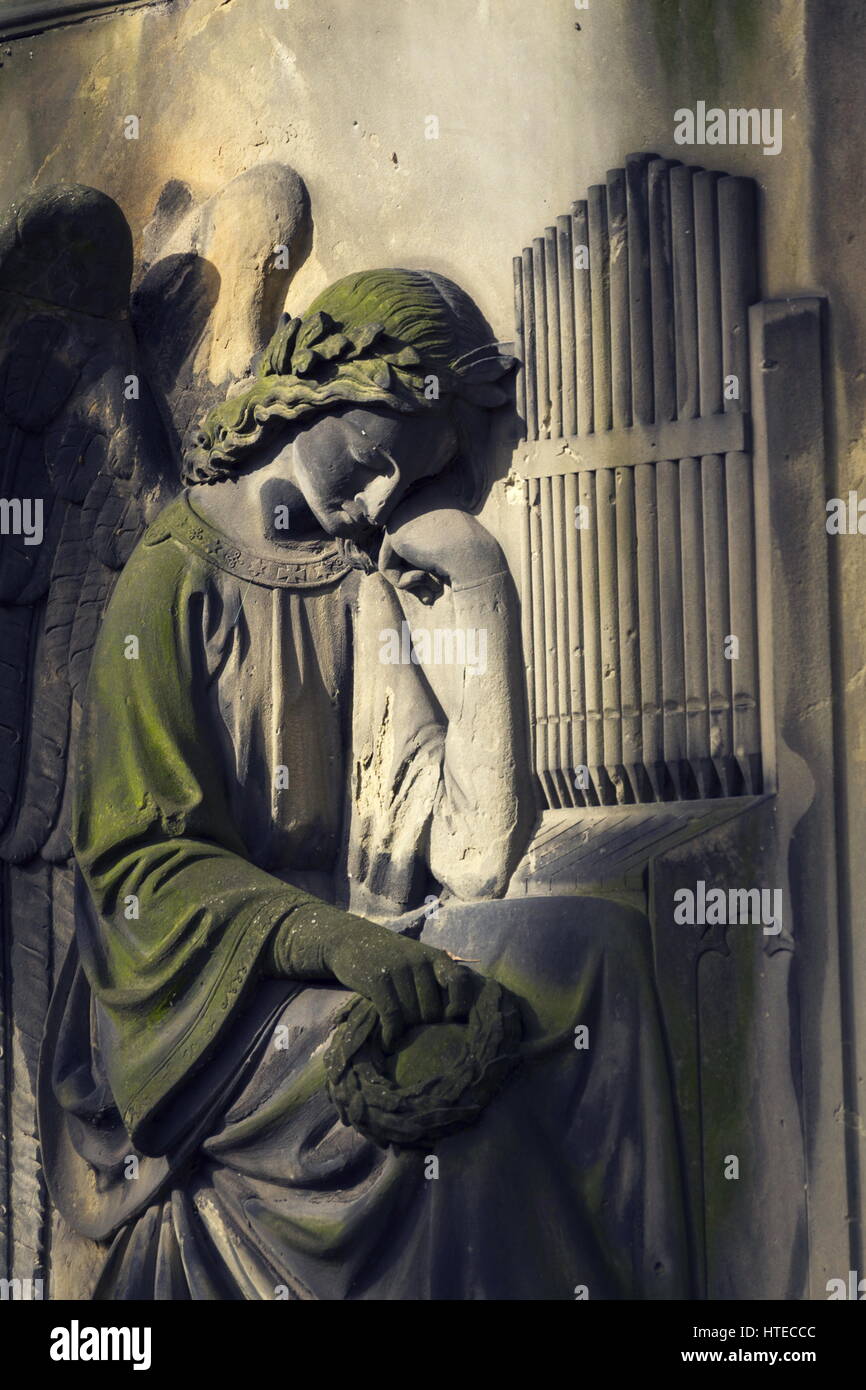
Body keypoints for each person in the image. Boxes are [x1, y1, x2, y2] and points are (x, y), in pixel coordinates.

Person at [41, 268, 690, 1299]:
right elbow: (138, 868)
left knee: (593, 953)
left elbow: (471, 852)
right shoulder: (173, 578)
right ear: (325, 389)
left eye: (414, 476)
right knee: (453, 1095)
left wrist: (480, 594)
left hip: (369, 942)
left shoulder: (354, 580)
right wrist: (332, 940)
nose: (387, 498)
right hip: (206, 1004)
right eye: (383, 456)